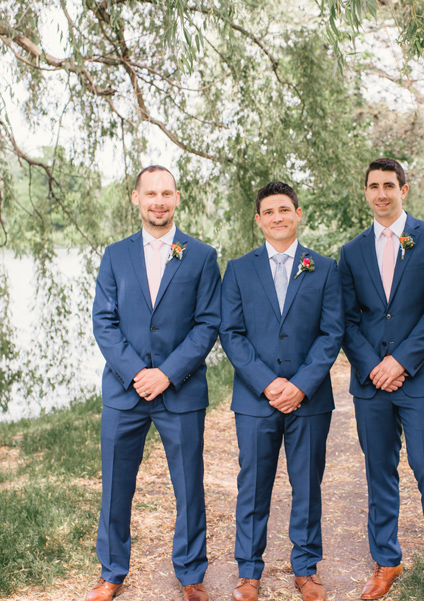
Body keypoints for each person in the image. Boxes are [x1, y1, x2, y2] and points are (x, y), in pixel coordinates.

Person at [87, 165, 222, 601]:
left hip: (180, 390)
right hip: (124, 392)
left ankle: (190, 574)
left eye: (166, 193)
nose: (158, 201)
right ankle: (111, 572)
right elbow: (104, 323)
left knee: (188, 485)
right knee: (115, 487)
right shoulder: (115, 255)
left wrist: (166, 373)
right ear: (136, 199)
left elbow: (207, 325)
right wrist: (136, 373)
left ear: (177, 198)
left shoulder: (201, 256)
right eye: (151, 194)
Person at [339, 158, 424, 600]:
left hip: (421, 379)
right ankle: (386, 561)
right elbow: (347, 320)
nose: (381, 193)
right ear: (366, 192)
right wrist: (374, 365)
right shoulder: (351, 252)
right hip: (371, 384)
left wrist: (402, 362)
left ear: (404, 190)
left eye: (389, 185)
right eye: (374, 186)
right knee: (379, 472)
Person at [220, 182, 344, 601]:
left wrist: (301, 385)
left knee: (307, 485)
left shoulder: (323, 268)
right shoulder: (237, 269)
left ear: (298, 213)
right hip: (256, 399)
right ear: (258, 220)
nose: (277, 217)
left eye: (284, 209)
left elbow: (332, 334)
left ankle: (306, 568)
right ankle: (249, 571)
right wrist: (268, 383)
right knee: (253, 485)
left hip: (309, 400)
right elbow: (231, 333)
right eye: (269, 211)